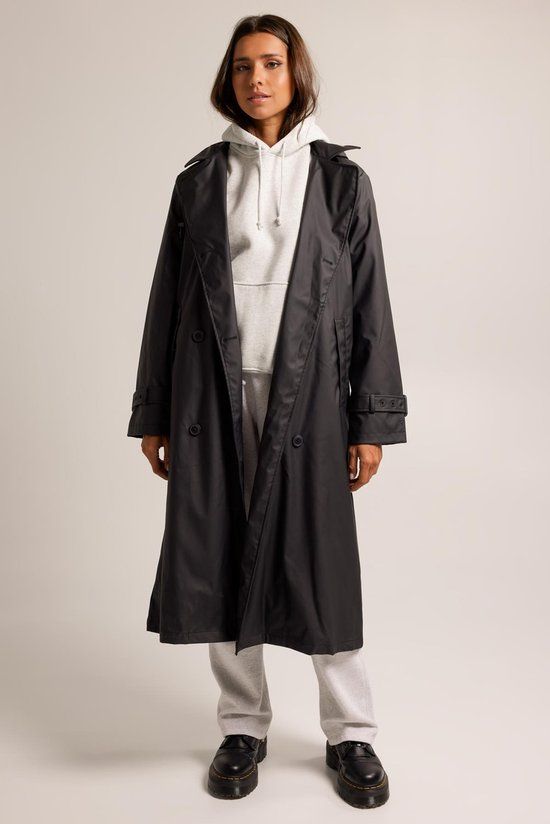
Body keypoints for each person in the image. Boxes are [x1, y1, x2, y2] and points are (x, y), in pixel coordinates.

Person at [127, 14, 407, 809]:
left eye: (272, 64)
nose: (258, 78)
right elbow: (166, 302)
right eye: (245, 65)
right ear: (230, 78)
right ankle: (242, 726)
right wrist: (155, 410)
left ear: (295, 73)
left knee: (321, 565)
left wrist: (370, 420)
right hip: (211, 394)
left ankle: (351, 734)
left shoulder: (342, 182)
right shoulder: (198, 181)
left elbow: (369, 304)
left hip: (311, 398)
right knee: (219, 553)